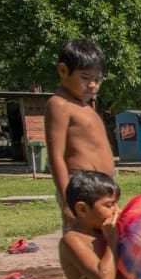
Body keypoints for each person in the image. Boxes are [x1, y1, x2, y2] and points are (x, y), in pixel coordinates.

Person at [45, 40, 116, 231]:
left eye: (97, 79)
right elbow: (56, 156)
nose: (92, 85)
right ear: (63, 71)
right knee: (83, 242)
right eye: (85, 78)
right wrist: (68, 202)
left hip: (103, 188)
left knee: (106, 240)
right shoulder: (59, 104)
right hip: (81, 190)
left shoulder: (85, 107)